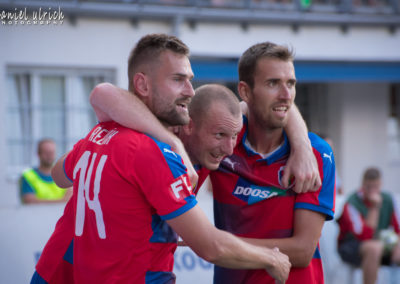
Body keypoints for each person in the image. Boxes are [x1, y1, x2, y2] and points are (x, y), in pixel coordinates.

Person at [32, 33, 290, 284]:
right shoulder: (154, 151)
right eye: (178, 79)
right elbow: (211, 246)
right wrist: (270, 258)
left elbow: (59, 176)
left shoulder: (102, 132)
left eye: (190, 80)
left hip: (56, 271)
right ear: (143, 84)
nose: (189, 91)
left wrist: (300, 142)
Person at [207, 41, 336, 283]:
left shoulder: (317, 153)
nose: (286, 95)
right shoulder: (222, 144)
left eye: (291, 84)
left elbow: (302, 251)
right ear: (245, 91)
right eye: (272, 84)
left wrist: (218, 243)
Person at [337, 167, 400, 284]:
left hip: (380, 243)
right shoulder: (352, 202)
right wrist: (374, 208)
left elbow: (397, 228)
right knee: (374, 248)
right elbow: (364, 236)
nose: (372, 191)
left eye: (375, 187)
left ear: (380, 184)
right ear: (363, 184)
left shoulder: (388, 199)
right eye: (368, 187)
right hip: (351, 246)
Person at [20, 138, 72, 204]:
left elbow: (70, 198)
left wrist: (41, 202)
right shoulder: (28, 176)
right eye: (46, 152)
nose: (49, 156)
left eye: (52, 152)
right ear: (38, 154)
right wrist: (60, 201)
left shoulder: (64, 173)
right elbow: (30, 201)